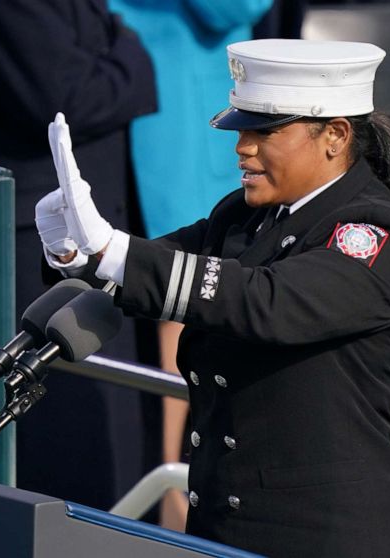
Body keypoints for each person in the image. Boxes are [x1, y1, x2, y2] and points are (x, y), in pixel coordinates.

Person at [36, 39, 390, 557]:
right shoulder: (245, 216)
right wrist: (74, 250)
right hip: (226, 532)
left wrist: (114, 250)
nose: (242, 146)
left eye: (264, 131)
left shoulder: (376, 233)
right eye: (241, 129)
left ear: (334, 136)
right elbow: (150, 272)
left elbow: (270, 303)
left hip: (330, 537)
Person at [0, 0, 161, 512]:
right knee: (63, 451)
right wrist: (129, 56)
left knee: (107, 448)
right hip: (24, 244)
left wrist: (122, 55)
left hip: (76, 236)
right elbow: (62, 98)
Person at [105, 0, 272, 530]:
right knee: (178, 295)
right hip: (167, 108)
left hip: (167, 107)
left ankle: (174, 486)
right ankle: (173, 491)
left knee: (183, 293)